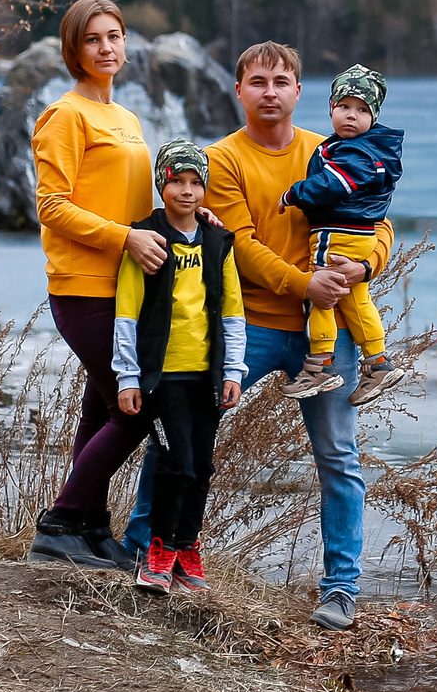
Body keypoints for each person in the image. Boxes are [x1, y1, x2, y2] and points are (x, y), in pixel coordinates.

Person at [121, 41, 382, 630]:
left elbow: (376, 221)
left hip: (326, 331)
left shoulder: (335, 150)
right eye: (258, 81)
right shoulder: (222, 160)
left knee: (338, 457)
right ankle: (145, 545)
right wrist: (304, 283)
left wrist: (363, 269)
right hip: (250, 327)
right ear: (238, 90)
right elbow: (238, 244)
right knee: (179, 430)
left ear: (298, 90)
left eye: (282, 81)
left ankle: (340, 588)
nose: (270, 91)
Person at [28, 0, 168, 573]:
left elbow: (136, 206)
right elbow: (51, 207)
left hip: (129, 287)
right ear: (73, 49)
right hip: (84, 288)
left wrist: (188, 221)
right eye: (92, 39)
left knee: (100, 408)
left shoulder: (127, 119)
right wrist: (124, 239)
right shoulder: (65, 116)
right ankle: (59, 523)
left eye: (114, 36)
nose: (106, 47)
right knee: (136, 407)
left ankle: (87, 526)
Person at [99, 139, 245, 592]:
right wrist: (128, 375)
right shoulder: (145, 240)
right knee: (175, 463)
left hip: (206, 377)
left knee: (202, 467)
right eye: (176, 181)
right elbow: (127, 312)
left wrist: (233, 371)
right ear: (161, 183)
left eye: (195, 182)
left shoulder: (218, 242)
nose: (186, 191)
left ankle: (186, 549)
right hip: (163, 378)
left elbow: (233, 312)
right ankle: (156, 551)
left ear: (205, 188)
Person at [278, 64, 409, 408]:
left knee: (321, 293)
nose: (352, 116)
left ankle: (321, 363)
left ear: (374, 116)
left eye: (362, 110)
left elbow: (334, 185)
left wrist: (294, 194)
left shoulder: (357, 153)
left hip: (337, 233)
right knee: (355, 299)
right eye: (345, 107)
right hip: (359, 234)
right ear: (331, 108)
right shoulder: (368, 148)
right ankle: (378, 363)